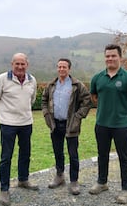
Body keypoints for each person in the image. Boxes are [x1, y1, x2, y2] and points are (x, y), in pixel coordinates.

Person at [89, 44, 127, 204]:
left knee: (124, 157)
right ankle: (102, 183)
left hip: (122, 126)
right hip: (102, 125)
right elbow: (94, 97)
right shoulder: (97, 78)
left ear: (120, 57)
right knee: (102, 155)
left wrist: (124, 113)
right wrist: (106, 110)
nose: (110, 59)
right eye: (107, 56)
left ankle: (125, 189)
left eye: (113, 56)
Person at [0, 53, 38, 206]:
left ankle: (23, 180)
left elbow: (32, 99)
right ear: (12, 64)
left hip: (26, 123)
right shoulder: (1, 79)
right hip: (8, 124)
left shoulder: (32, 80)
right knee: (6, 157)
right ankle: (4, 189)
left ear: (27, 65)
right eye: (17, 64)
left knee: (25, 154)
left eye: (23, 64)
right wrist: (3, 116)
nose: (20, 67)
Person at [41, 58, 91, 195]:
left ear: (69, 69)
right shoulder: (52, 85)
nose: (61, 69)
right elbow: (44, 100)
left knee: (73, 154)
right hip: (55, 124)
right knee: (58, 152)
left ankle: (74, 181)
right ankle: (60, 176)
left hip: (71, 125)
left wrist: (78, 116)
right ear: (57, 68)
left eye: (64, 67)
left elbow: (87, 101)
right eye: (59, 67)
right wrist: (46, 114)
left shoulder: (77, 85)